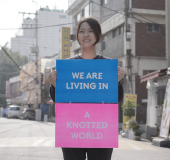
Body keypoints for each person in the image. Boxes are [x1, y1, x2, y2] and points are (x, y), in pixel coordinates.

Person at [48, 17, 125, 160]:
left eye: (90, 31)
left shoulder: (108, 66)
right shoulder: (68, 66)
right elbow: (59, 101)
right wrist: (54, 84)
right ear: (77, 36)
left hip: (101, 128)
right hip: (73, 128)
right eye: (81, 31)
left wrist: (117, 82)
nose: (86, 35)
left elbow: (117, 100)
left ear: (99, 35)